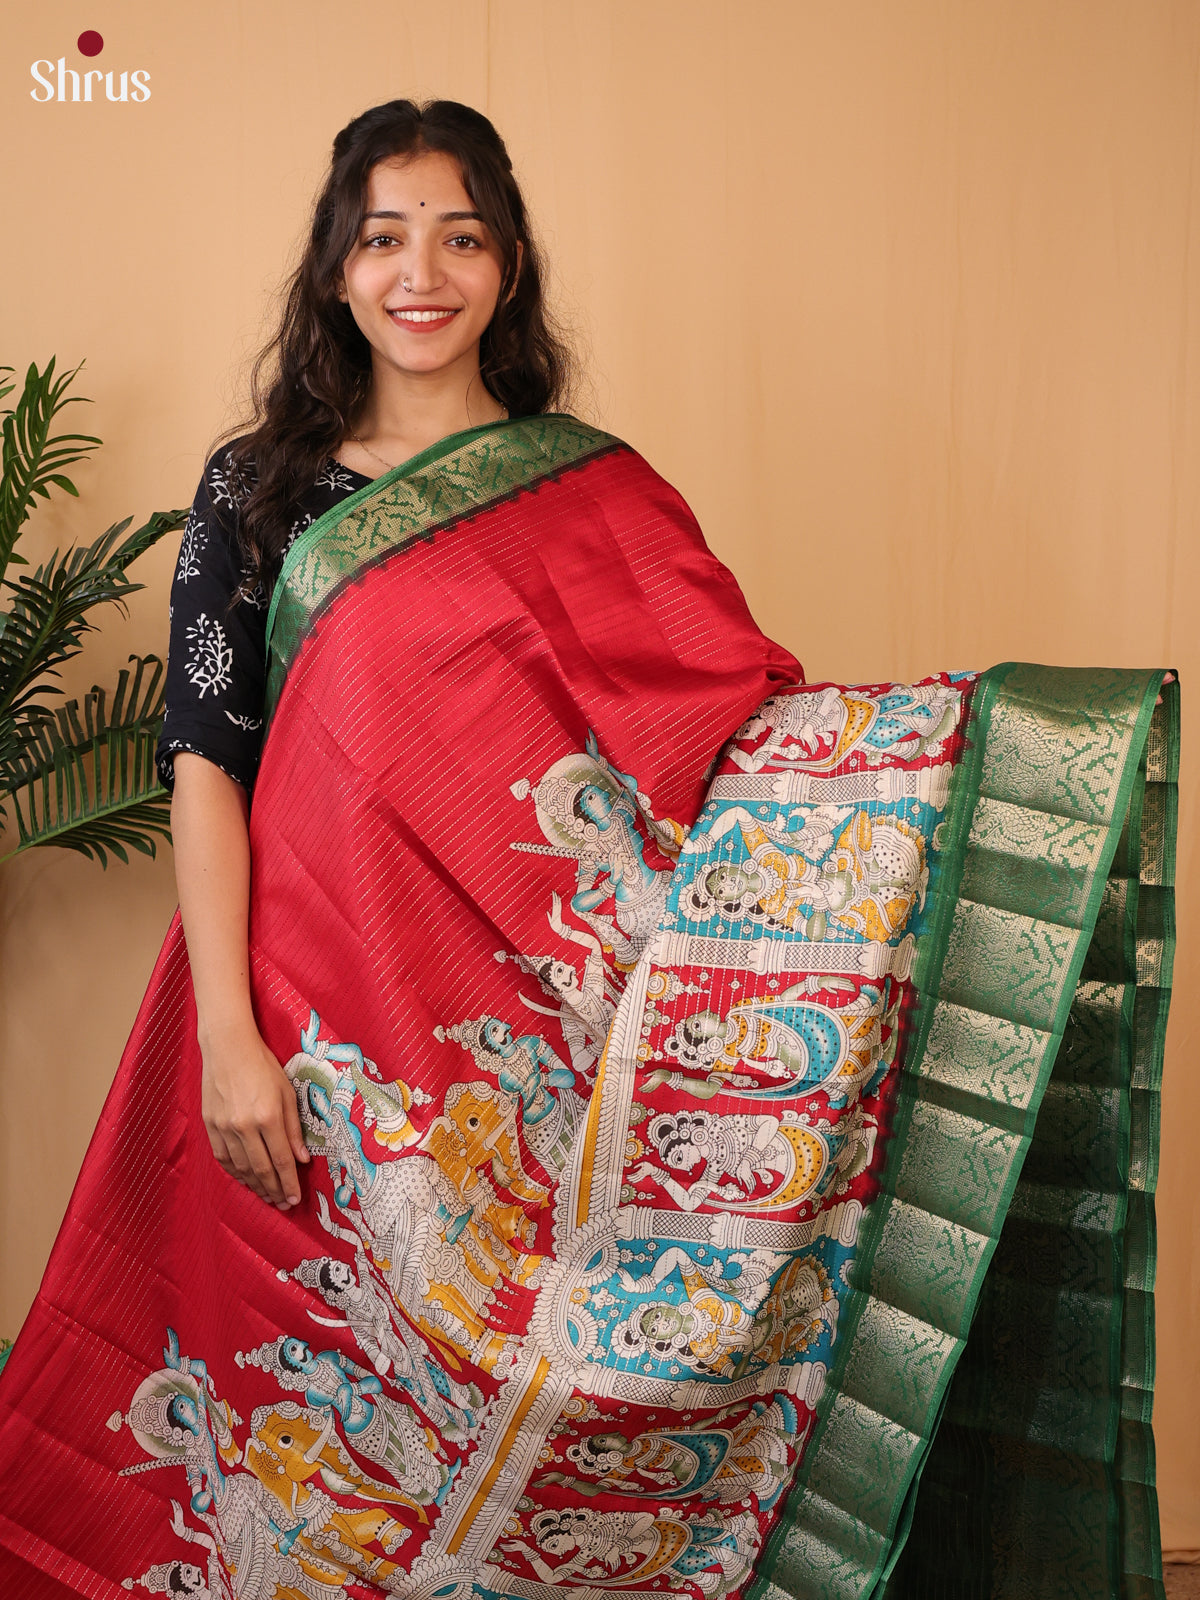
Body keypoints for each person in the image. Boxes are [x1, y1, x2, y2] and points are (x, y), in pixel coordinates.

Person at [0, 98, 1176, 1600]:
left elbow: (735, 735)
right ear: (334, 270)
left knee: (523, 1406)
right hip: (305, 1044)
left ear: (506, 267)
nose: (420, 272)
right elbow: (206, 768)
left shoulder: (587, 486)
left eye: (460, 237)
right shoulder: (261, 489)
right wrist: (231, 1039)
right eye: (382, 238)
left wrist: (1004, 770)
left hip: (517, 1059)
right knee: (293, 1411)